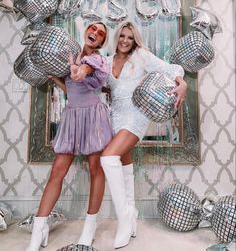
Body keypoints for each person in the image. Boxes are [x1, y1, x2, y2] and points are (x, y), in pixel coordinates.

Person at [75, 21, 187, 249]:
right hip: (114, 117)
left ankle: (125, 218)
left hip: (136, 116)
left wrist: (182, 83)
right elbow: (96, 85)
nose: (126, 41)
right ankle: (132, 215)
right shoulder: (105, 61)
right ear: (116, 38)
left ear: (135, 40)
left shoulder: (142, 56)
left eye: (130, 37)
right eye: (122, 36)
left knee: (108, 158)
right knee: (124, 167)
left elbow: (172, 68)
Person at [25, 22, 113, 251]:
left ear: (102, 42)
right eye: (93, 29)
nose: (95, 32)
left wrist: (79, 70)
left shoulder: (97, 61)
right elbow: (72, 88)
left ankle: (89, 229)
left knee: (96, 171)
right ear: (86, 32)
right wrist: (56, 77)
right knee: (57, 172)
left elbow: (84, 71)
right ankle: (38, 232)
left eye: (101, 33)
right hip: (72, 117)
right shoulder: (72, 55)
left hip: (94, 118)